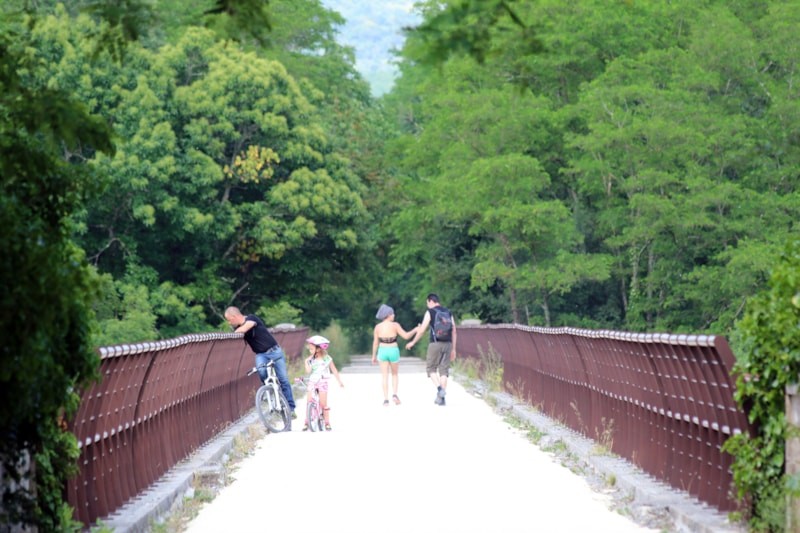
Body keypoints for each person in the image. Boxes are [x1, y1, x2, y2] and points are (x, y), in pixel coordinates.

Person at [224, 306, 296, 418]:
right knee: (261, 371)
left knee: (284, 380)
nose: (229, 323)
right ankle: (268, 390)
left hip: (274, 351)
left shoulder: (251, 318)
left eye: (229, 320)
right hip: (261, 355)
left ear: (235, 316)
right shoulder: (237, 327)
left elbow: (245, 328)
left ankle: (291, 409)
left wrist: (236, 332)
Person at [406, 294, 457, 406]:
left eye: (427, 303)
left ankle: (440, 389)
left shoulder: (430, 312)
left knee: (431, 368)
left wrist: (413, 342)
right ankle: (442, 399)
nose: (427, 305)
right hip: (448, 344)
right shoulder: (448, 312)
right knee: (444, 371)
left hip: (435, 344)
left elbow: (422, 330)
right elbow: (454, 330)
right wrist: (454, 349)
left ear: (430, 301)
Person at [371, 304, 418, 406]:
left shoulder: (377, 327)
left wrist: (373, 356)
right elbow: (406, 336)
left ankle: (386, 400)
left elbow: (375, 343)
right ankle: (395, 395)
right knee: (395, 374)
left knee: (384, 376)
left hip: (382, 350)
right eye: (392, 314)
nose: (394, 315)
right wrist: (415, 330)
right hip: (393, 350)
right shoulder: (395, 325)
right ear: (388, 315)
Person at [303, 335, 343, 431]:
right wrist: (306, 362)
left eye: (311, 349)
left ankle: (327, 422)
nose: (310, 351)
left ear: (318, 349)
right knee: (309, 402)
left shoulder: (327, 359)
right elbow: (308, 371)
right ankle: (307, 422)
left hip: (323, 382)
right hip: (312, 381)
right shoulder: (311, 359)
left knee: (323, 404)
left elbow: (334, 370)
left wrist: (339, 381)